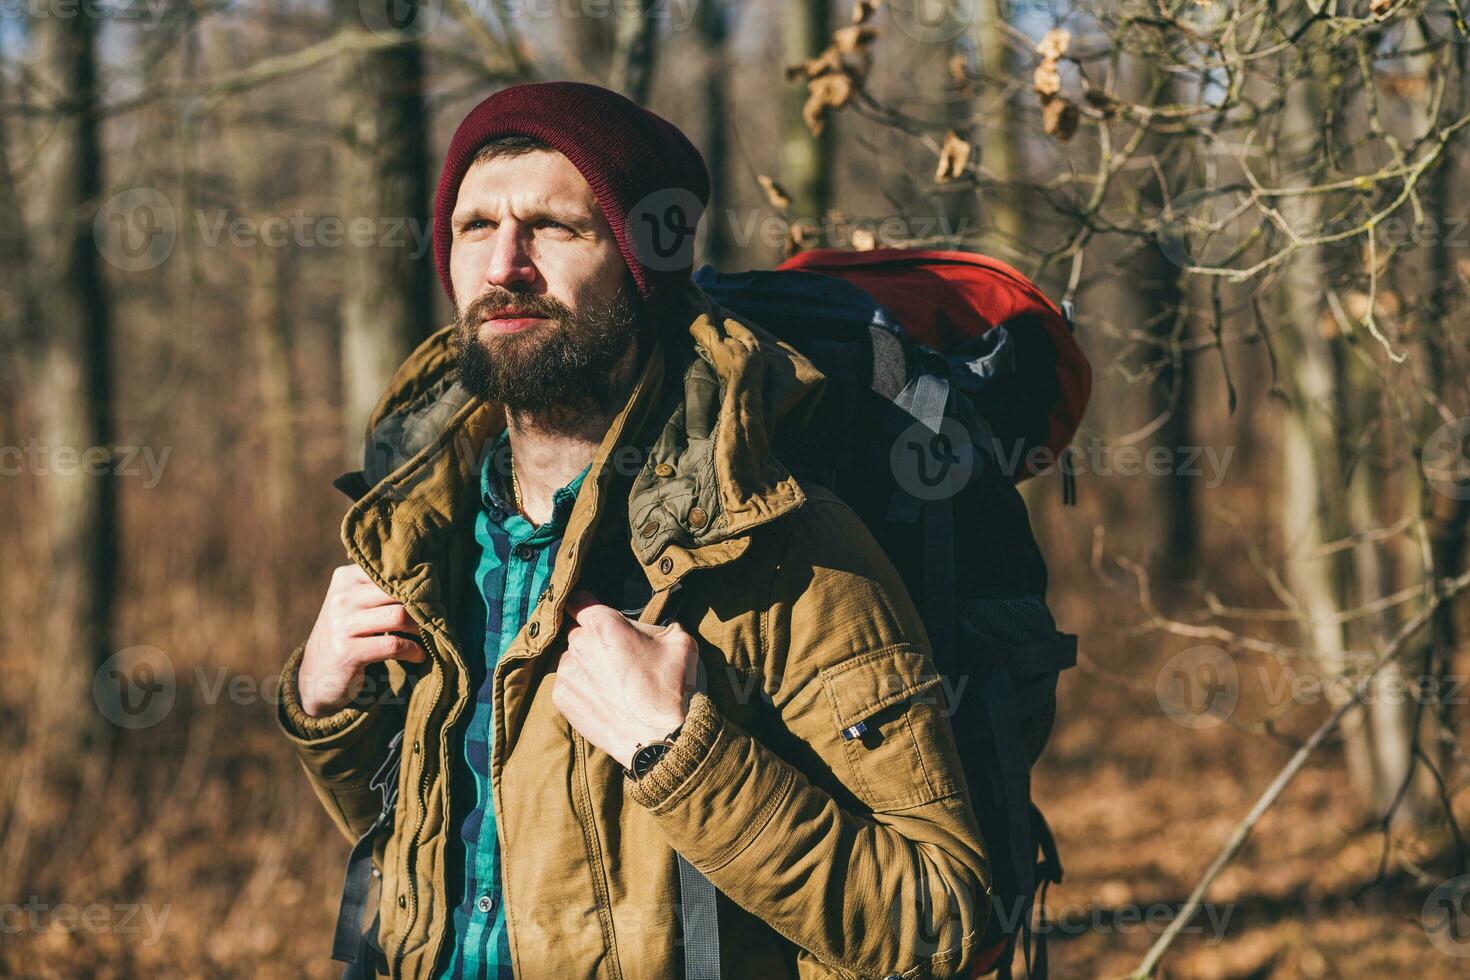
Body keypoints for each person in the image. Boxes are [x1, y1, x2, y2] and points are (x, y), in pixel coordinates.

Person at [278, 80, 990, 980]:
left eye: (553, 227)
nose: (504, 266)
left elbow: (941, 922)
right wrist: (334, 711)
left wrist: (679, 756)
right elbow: (461, 857)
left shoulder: (781, 549)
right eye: (474, 229)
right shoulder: (424, 538)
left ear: (638, 265)